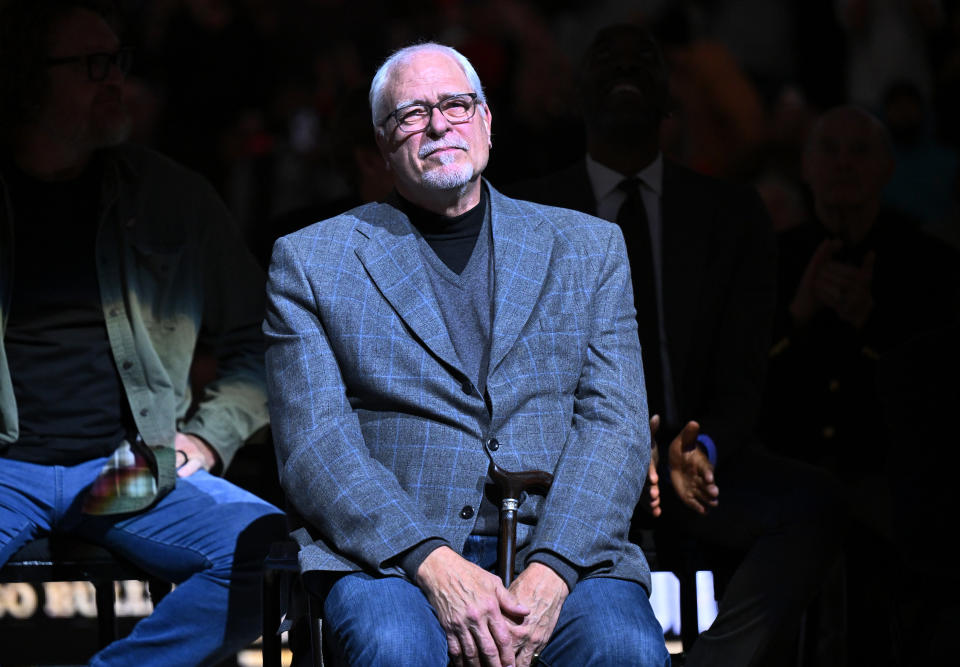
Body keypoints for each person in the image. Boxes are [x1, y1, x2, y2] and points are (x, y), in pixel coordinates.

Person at [264, 42, 670, 667]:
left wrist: (552, 571)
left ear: (486, 122)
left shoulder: (588, 248)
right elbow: (316, 443)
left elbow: (615, 427)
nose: (438, 124)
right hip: (393, 559)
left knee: (623, 648)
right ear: (381, 143)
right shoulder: (313, 261)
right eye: (412, 113)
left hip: (562, 548)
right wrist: (433, 563)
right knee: (393, 648)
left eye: (456, 104)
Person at [510, 24, 842, 666]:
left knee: (815, 504)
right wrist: (616, 456)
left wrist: (700, 448)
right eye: (607, 56)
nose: (627, 66)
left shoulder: (731, 212)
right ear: (577, 93)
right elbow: (519, 373)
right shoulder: (528, 212)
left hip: (695, 469)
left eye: (646, 59)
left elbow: (744, 375)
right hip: (569, 471)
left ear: (671, 101)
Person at [0, 1, 286, 664]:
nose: (116, 81)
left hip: (128, 463)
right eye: (92, 65)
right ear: (25, 77)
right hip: (6, 468)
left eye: (119, 62)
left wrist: (207, 438)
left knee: (267, 555)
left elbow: (267, 345)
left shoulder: (170, 196)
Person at [760, 104, 960, 664]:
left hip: (892, 480)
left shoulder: (931, 262)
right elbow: (748, 377)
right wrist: (797, 317)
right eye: (830, 149)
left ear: (889, 167)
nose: (844, 163)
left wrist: (873, 326)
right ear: (805, 165)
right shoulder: (773, 256)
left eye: (860, 150)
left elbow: (939, 392)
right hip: (792, 470)